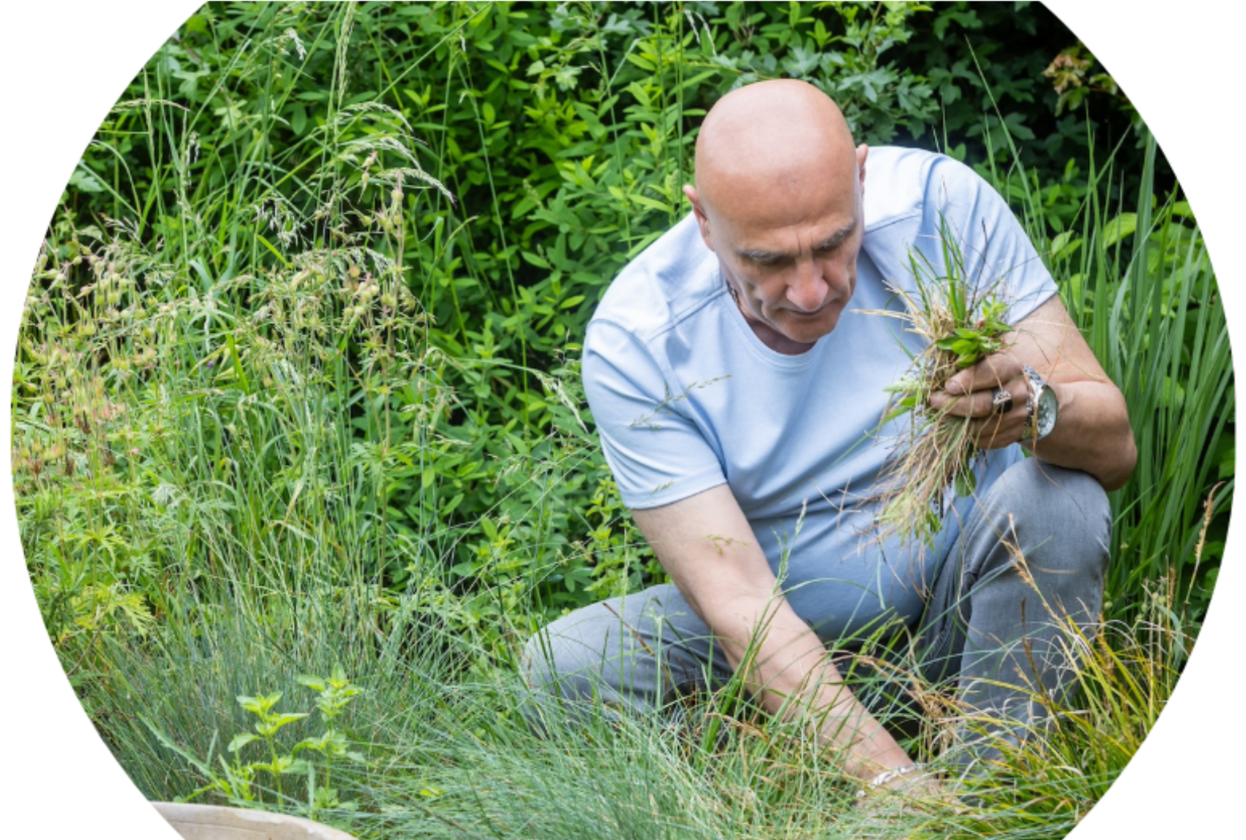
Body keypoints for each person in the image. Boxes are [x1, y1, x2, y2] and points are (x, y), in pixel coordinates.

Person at [520, 79, 1136, 806]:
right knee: (565, 664)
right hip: (780, 638)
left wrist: (1035, 406)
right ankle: (778, 790)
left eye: (833, 245)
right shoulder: (641, 339)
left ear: (863, 179)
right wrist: (896, 784)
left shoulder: (943, 210)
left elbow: (1114, 452)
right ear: (704, 223)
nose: (810, 291)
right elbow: (739, 605)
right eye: (769, 262)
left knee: (1061, 495)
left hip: (964, 617)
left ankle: (995, 797)